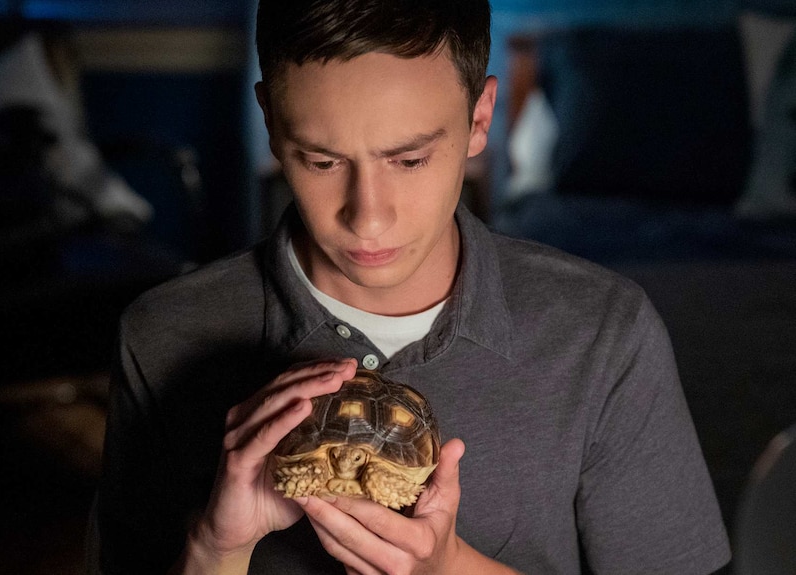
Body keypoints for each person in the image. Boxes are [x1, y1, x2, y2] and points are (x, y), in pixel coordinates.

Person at [94, 1, 732, 573]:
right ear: (269, 120)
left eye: (409, 159)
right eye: (322, 161)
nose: (367, 216)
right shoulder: (164, 334)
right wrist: (214, 551)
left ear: (479, 117)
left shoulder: (603, 333)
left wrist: (452, 568)